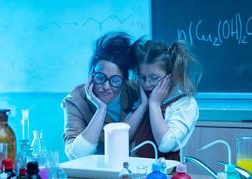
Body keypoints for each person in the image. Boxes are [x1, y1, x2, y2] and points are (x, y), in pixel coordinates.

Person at [62, 32, 141, 160]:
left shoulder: (134, 90)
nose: (106, 86)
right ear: (91, 74)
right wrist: (101, 109)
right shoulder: (75, 101)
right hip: (94, 173)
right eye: (100, 77)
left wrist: (143, 105)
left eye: (115, 80)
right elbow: (76, 155)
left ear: (124, 81)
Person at [130, 39, 200, 160]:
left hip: (165, 176)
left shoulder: (185, 104)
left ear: (171, 75)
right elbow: (123, 138)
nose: (147, 84)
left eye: (154, 78)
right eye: (143, 77)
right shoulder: (143, 97)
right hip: (136, 171)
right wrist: (143, 106)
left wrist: (154, 104)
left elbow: (165, 145)